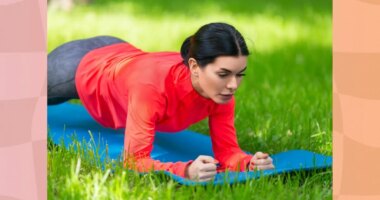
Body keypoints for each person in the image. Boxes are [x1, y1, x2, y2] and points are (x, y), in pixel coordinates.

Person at [48, 22, 275, 182]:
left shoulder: (222, 93)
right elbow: (134, 161)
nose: (233, 85)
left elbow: (228, 153)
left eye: (240, 74)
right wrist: (185, 171)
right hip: (81, 66)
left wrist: (249, 163)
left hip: (122, 53)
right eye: (224, 74)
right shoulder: (152, 90)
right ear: (195, 67)